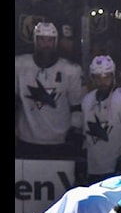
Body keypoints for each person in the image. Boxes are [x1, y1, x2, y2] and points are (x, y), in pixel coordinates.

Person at [15, 21, 85, 160]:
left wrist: (75, 131)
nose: (45, 45)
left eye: (49, 40)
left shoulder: (71, 70)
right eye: (41, 39)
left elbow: (77, 106)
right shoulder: (19, 65)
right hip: (26, 140)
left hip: (60, 141)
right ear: (35, 41)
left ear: (56, 42)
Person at [80, 55, 121, 185]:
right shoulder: (87, 100)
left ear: (113, 75)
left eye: (106, 77)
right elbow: (85, 138)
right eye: (98, 77)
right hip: (94, 170)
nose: (102, 82)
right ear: (92, 78)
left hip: (119, 172)